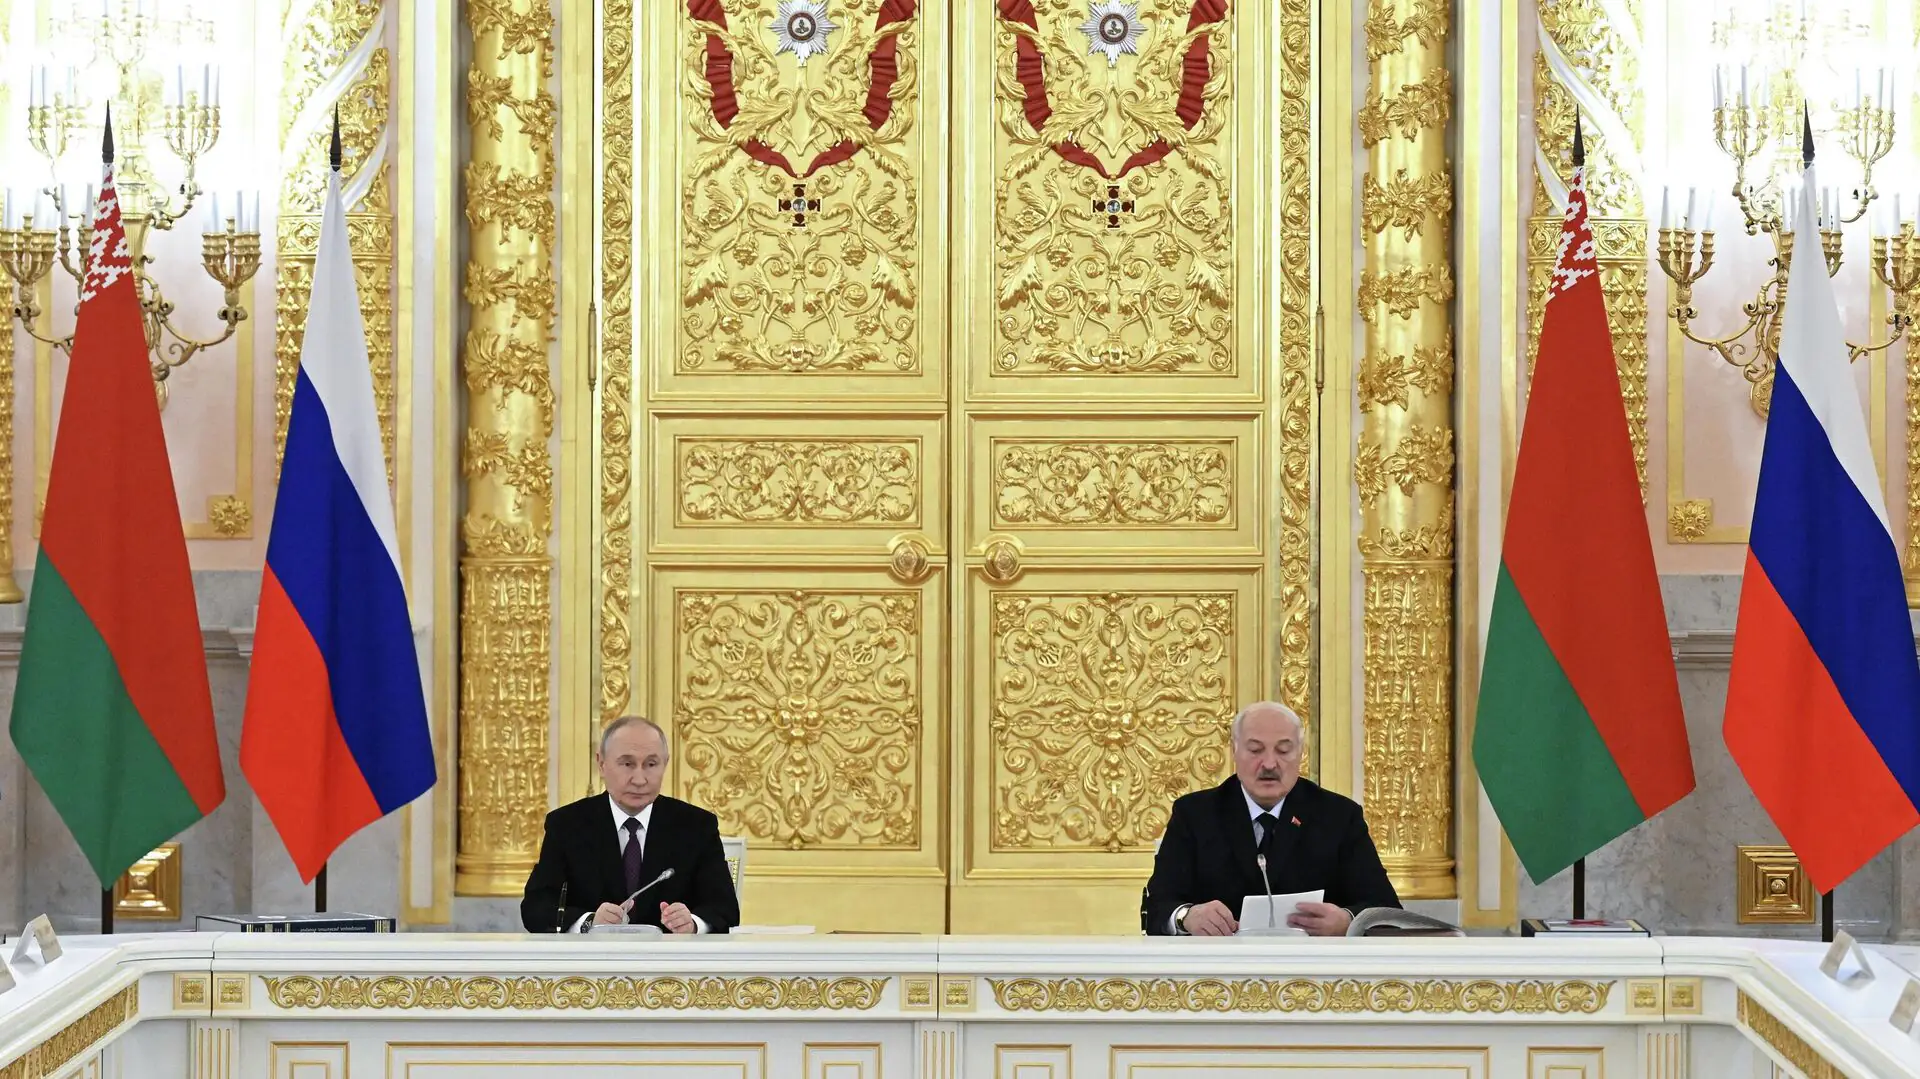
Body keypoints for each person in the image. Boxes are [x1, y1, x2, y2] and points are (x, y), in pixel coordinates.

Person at [1143, 701, 1399, 936]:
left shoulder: (1339, 816)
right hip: (1218, 966)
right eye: (1255, 750)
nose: (1269, 764)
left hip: (1312, 967)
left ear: (1300, 753)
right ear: (1234, 751)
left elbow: (1386, 910)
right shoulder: (1194, 814)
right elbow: (1157, 908)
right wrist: (1186, 917)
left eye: (1283, 750)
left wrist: (1348, 920)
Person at [520, 716, 740, 933]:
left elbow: (725, 908)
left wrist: (692, 923)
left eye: (651, 764)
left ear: (665, 764)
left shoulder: (697, 826)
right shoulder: (566, 824)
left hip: (668, 955)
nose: (639, 779)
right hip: (594, 955)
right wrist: (589, 921)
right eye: (627, 764)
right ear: (601, 763)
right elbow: (536, 908)